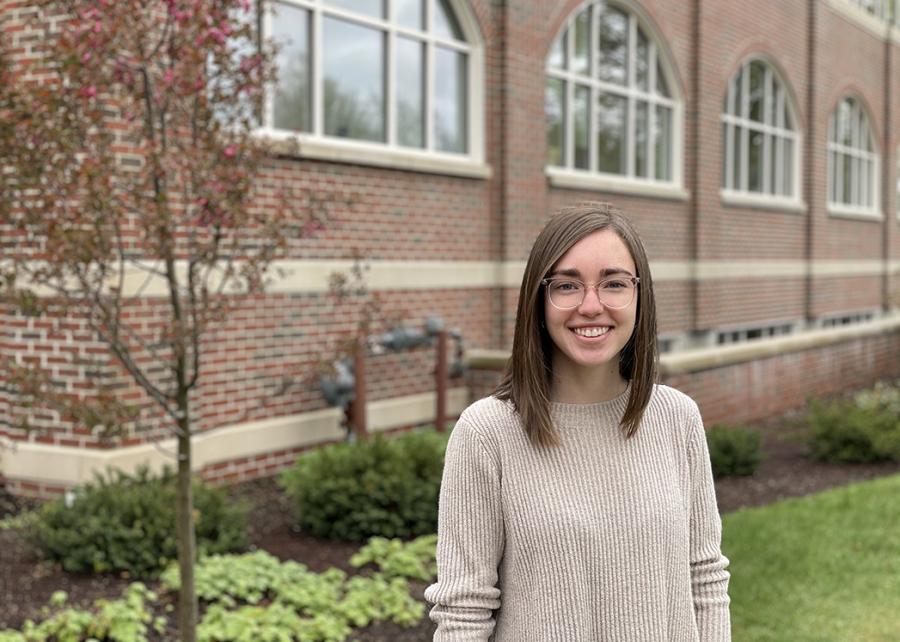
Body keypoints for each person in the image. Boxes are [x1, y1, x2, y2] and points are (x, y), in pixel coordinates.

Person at [424, 202, 731, 641]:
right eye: (567, 285)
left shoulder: (677, 419)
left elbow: (704, 578)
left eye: (614, 284)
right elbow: (464, 612)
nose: (591, 306)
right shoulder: (486, 433)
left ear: (639, 295)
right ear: (539, 299)